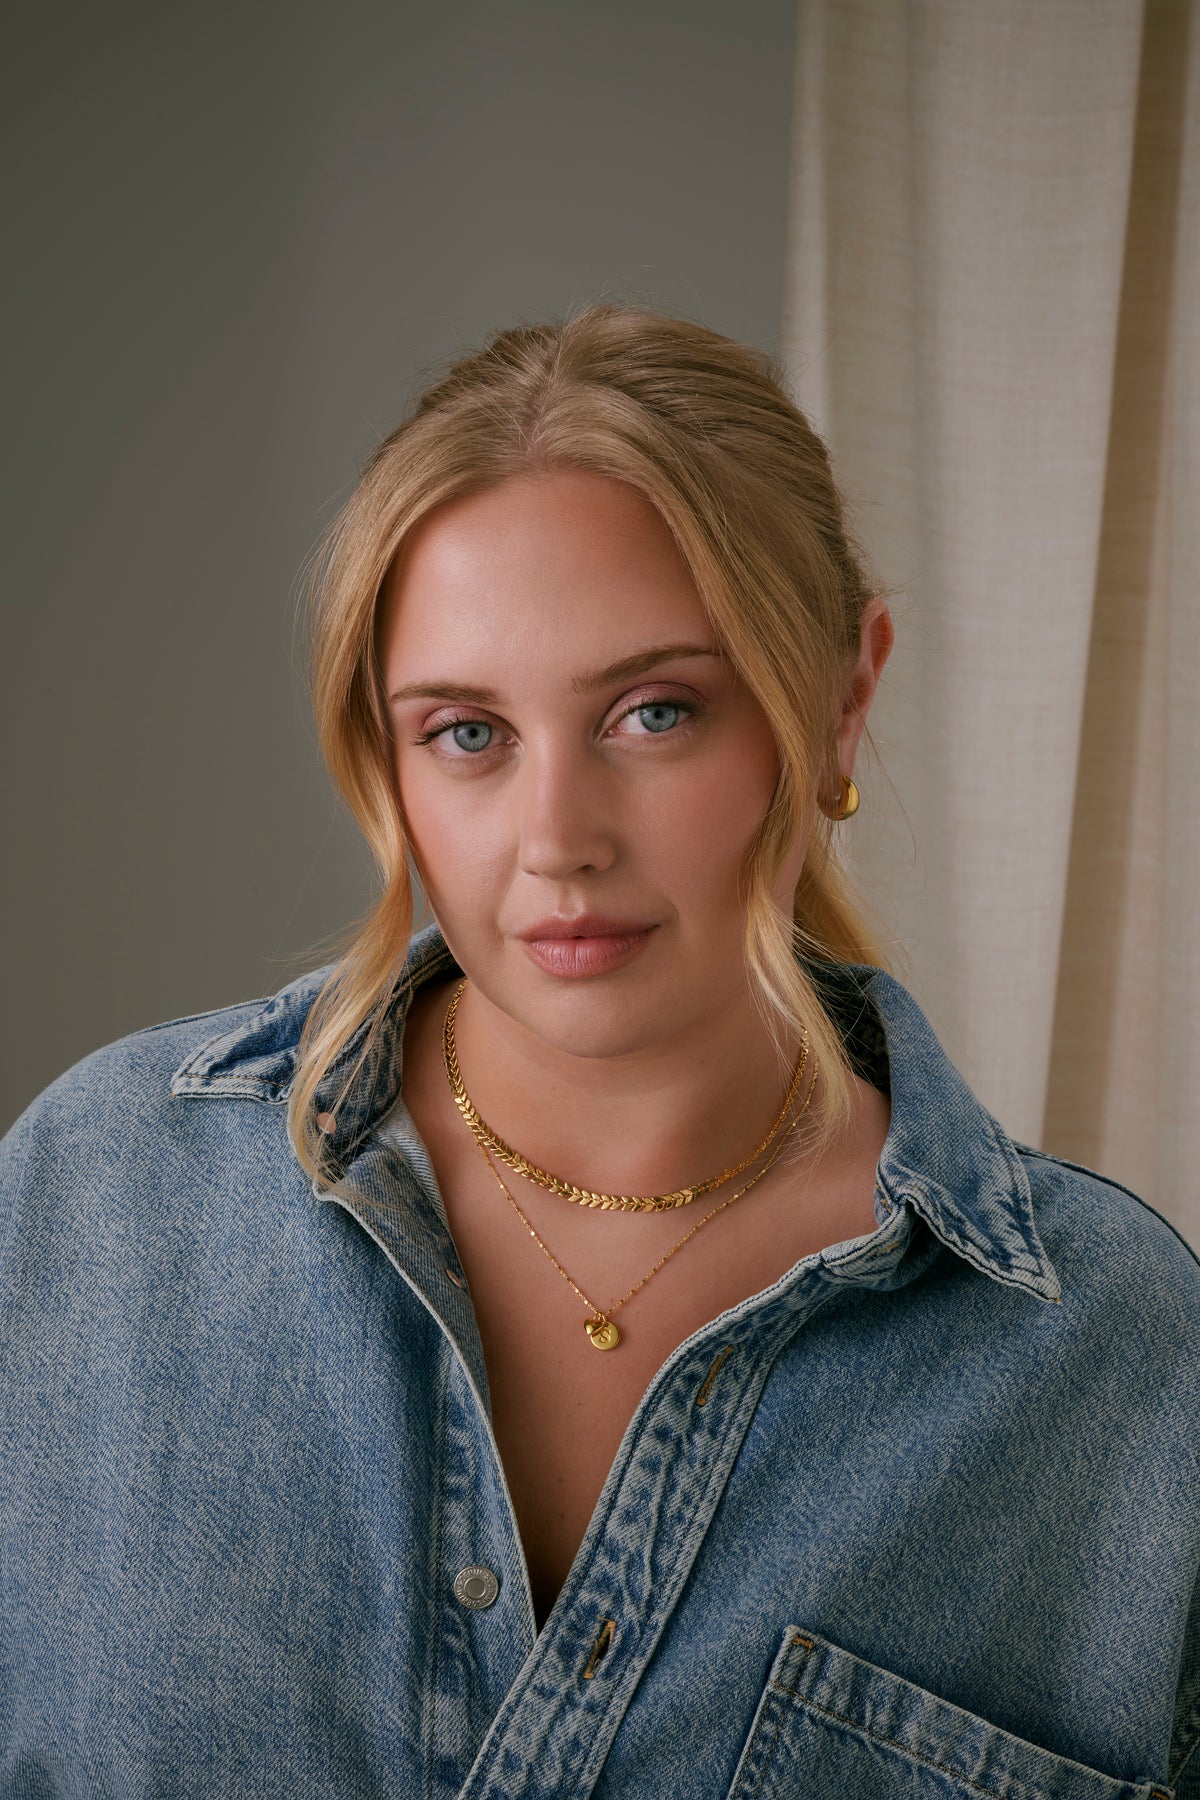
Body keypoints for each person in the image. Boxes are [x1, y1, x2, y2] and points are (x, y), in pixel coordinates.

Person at [1, 305, 1196, 1799]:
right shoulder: (95, 1199)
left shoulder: (1124, 1364)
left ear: (844, 697)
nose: (557, 842)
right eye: (468, 734)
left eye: (653, 712)